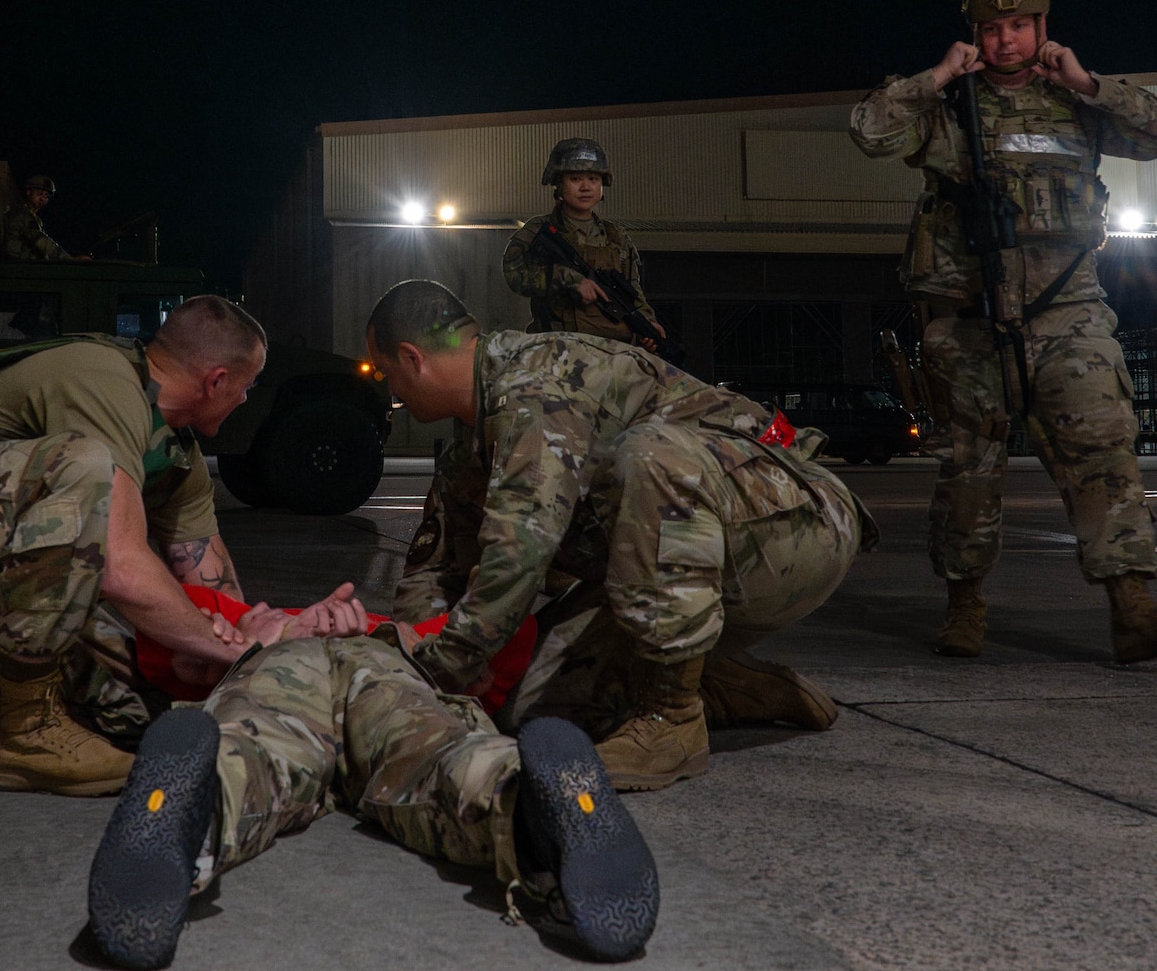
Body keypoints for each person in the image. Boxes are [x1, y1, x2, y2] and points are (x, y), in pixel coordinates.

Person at [0, 296, 361, 795]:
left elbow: (213, 591)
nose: (246, 399)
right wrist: (227, 649)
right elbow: (120, 566)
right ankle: (25, 733)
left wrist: (245, 645)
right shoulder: (101, 380)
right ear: (217, 381)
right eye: (247, 386)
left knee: (142, 708)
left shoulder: (177, 458)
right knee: (82, 466)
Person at [848, 0, 1157, 662]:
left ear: (1042, 30)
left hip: (1069, 314)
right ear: (976, 36)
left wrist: (1087, 82)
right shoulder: (948, 107)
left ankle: (1133, 608)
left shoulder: (1074, 102)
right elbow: (868, 130)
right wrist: (934, 77)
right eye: (992, 29)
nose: (1005, 39)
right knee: (970, 470)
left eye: (1019, 26)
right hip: (971, 320)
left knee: (1105, 452)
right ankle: (964, 604)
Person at [363, 280, 872, 792]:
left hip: (796, 525)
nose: (391, 391)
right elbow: (432, 576)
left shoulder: (537, 387)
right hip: (695, 563)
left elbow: (519, 551)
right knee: (527, 704)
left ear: (413, 358)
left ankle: (670, 718)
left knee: (647, 456)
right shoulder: (468, 454)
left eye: (388, 374)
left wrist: (449, 668)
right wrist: (418, 671)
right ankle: (721, 685)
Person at [84, 636, 661, 970]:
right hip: (363, 661)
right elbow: (168, 640)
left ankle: (200, 814)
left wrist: (253, 632)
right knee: (435, 753)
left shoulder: (276, 628)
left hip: (299, 663)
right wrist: (244, 628)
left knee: (257, 749)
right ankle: (522, 803)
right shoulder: (251, 620)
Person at [502, 138, 669, 350]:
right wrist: (567, 279)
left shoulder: (616, 236)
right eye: (575, 178)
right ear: (559, 185)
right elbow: (514, 274)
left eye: (593, 178)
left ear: (602, 185)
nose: (585, 187)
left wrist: (647, 323)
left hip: (614, 350)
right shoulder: (540, 230)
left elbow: (633, 290)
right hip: (558, 349)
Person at [0, 174, 90, 262]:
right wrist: (69, 259)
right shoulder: (21, 215)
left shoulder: (34, 218)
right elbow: (40, 241)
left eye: (46, 196)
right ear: (29, 192)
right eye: (40, 194)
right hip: (16, 266)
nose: (43, 198)